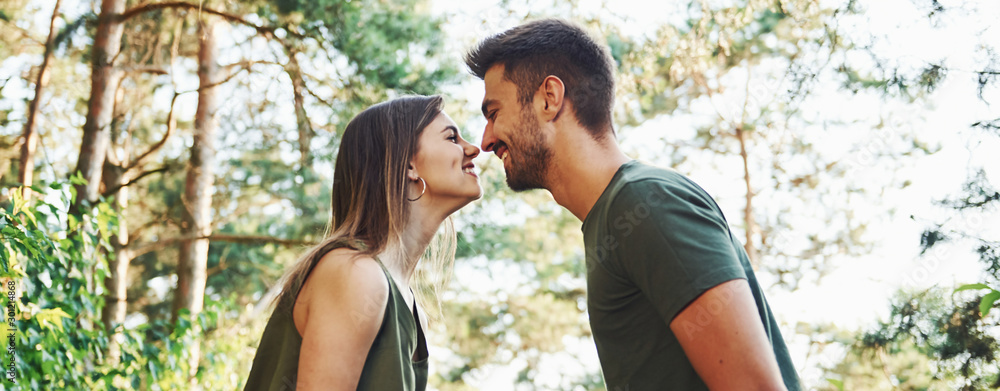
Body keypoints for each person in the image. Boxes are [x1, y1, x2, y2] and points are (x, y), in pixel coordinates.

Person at [465, 19, 801, 391]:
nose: (486, 141)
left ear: (549, 98)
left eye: (493, 113)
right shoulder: (614, 217)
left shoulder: (645, 203)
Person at [243, 95, 482, 391]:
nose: (473, 148)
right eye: (452, 138)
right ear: (408, 164)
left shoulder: (407, 303)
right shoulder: (355, 273)